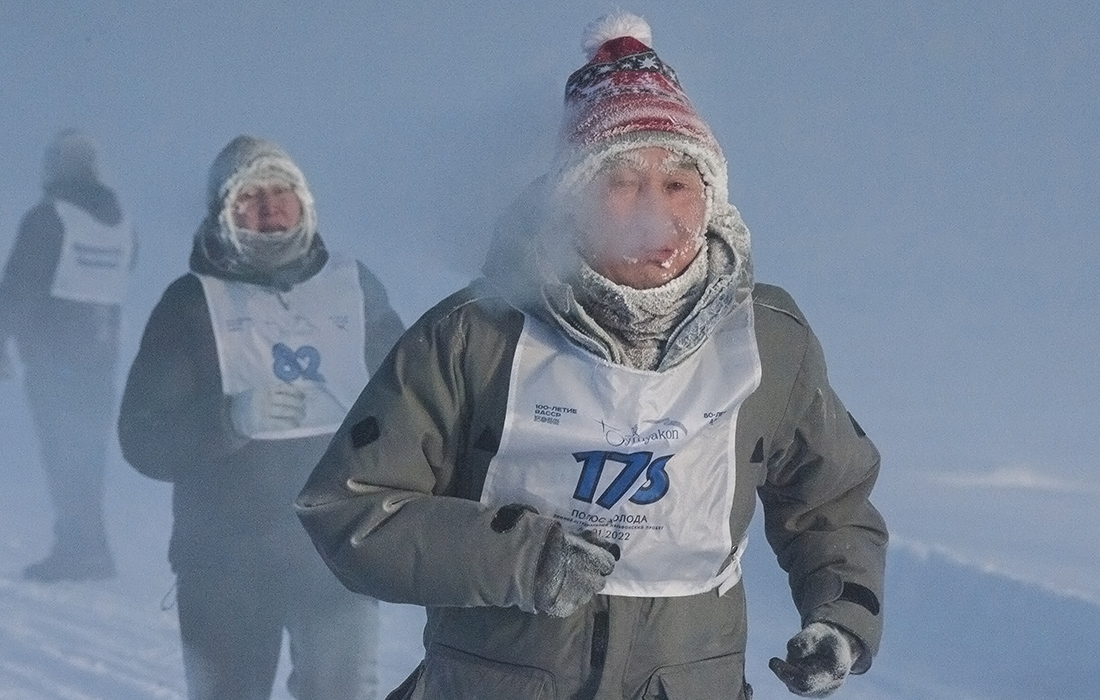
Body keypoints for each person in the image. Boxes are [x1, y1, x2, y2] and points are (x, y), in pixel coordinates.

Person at [296, 13, 887, 700]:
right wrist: (519, 558)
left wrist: (841, 618)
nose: (657, 217)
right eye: (622, 183)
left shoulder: (769, 340)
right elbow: (346, 509)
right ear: (570, 202)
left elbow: (831, 499)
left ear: (713, 197)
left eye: (678, 185)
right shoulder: (474, 335)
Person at [118, 135, 403, 700]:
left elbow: (411, 402)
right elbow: (141, 438)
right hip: (223, 567)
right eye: (249, 195)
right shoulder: (191, 302)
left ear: (306, 204)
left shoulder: (353, 287)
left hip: (334, 553)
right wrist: (228, 421)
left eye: (282, 192)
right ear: (222, 213)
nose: (270, 207)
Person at [0, 129, 134, 582]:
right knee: (86, 455)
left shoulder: (48, 218)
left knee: (62, 454)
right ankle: (91, 546)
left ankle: (79, 550)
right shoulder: (119, 223)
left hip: (53, 362)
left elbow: (17, 288)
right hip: (101, 360)